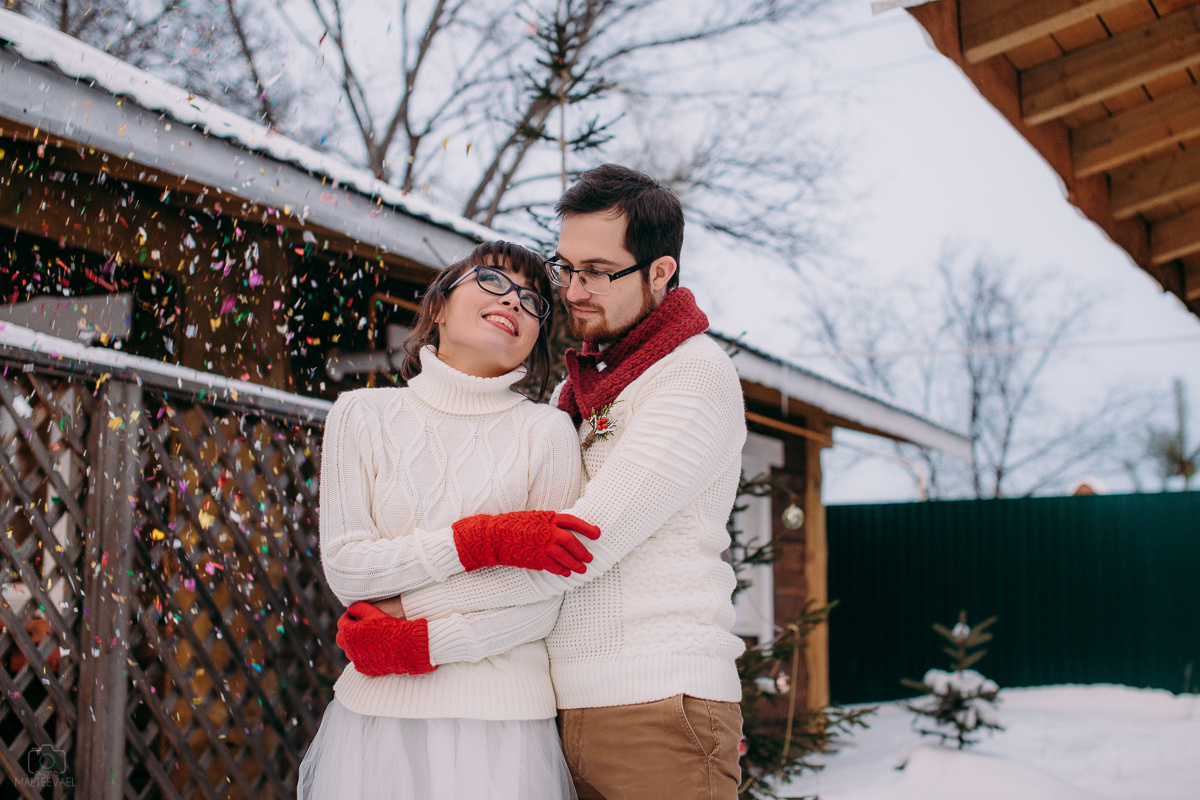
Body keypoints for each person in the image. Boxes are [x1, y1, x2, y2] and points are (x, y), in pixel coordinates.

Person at [339, 164, 749, 799]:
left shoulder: (690, 376)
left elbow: (578, 547)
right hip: (560, 704)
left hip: (655, 702)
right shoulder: (576, 391)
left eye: (596, 271)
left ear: (660, 272)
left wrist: (414, 627)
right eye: (565, 268)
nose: (572, 290)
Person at [299, 240, 601, 800]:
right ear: (438, 306)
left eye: (534, 301)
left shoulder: (547, 432)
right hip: (375, 720)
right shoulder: (361, 415)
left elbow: (545, 594)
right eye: (492, 281)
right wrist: (478, 542)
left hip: (502, 729)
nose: (514, 300)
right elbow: (349, 571)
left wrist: (420, 638)